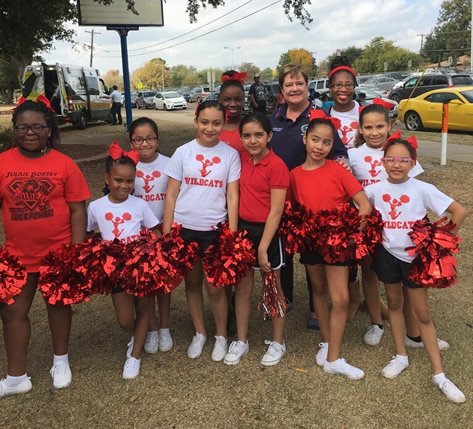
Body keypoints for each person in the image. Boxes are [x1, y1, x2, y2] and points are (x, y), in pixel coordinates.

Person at [365, 137, 467, 403]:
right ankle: (401, 355)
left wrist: (438, 241)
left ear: (413, 163)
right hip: (386, 256)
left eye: (403, 160)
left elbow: (459, 211)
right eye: (391, 159)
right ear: (382, 161)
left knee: (423, 315)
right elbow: (360, 213)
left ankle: (439, 374)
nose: (396, 165)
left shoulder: (423, 188)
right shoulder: (374, 190)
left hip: (414, 259)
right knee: (395, 304)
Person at [0, 98, 90, 397]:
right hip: (17, 257)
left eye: (37, 127)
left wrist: (75, 252)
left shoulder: (64, 164)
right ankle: (16, 377)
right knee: (12, 313)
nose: (29, 132)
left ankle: (60, 361)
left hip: (58, 254)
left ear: (49, 130)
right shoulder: (2, 162)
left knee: (59, 306)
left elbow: (78, 210)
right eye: (22, 127)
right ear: (14, 130)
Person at [289, 112, 372, 380]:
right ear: (305, 139)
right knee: (318, 290)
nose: (319, 147)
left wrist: (350, 232)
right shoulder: (293, 176)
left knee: (341, 299)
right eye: (315, 140)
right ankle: (327, 345)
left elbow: (365, 205)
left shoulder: (338, 170)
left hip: (337, 243)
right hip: (310, 242)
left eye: (326, 142)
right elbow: (290, 209)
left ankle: (334, 357)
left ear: (331, 145)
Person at [270, 63, 348, 330]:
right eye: (289, 84)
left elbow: (337, 150)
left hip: (311, 198)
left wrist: (342, 162)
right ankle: (286, 298)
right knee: (283, 249)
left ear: (307, 86)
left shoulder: (318, 117)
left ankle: (317, 308)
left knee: (313, 251)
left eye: (299, 83)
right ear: (282, 89)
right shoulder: (274, 120)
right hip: (282, 196)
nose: (294, 88)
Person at [163, 100, 240, 362]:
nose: (210, 128)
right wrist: (167, 231)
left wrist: (232, 232)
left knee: (216, 287)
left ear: (223, 124)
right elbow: (171, 194)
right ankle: (200, 332)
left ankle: (220, 335)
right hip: (184, 229)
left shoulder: (230, 154)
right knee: (192, 283)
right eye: (205, 122)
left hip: (214, 230)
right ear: (196, 122)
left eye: (216, 123)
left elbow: (232, 194)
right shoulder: (182, 152)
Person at [87, 144, 159, 379]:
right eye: (118, 180)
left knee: (144, 307)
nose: (124, 186)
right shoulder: (96, 207)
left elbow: (155, 229)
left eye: (130, 181)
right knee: (125, 318)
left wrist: (153, 253)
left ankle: (134, 356)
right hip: (115, 269)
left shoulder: (139, 205)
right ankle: (138, 332)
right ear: (107, 179)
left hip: (141, 267)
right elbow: (88, 233)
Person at [223, 113, 289, 366]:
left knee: (273, 287)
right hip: (243, 230)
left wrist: (263, 247)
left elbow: (276, 210)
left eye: (259, 135)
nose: (253, 140)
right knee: (242, 288)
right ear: (241, 138)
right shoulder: (240, 159)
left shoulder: (277, 166)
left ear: (269, 136)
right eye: (247, 135)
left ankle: (278, 342)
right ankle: (241, 339)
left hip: (268, 233)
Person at [129, 117, 173, 355]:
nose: (144, 143)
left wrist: (167, 228)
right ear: (131, 141)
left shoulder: (170, 163)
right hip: (135, 235)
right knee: (143, 285)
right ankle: (152, 328)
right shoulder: (126, 165)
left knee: (163, 284)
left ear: (157, 140)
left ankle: (165, 326)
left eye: (149, 138)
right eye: (138, 139)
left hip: (163, 231)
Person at [219, 70, 247, 152]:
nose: (233, 104)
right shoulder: (210, 129)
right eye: (227, 99)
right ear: (220, 100)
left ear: (243, 100)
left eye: (238, 99)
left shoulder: (252, 128)